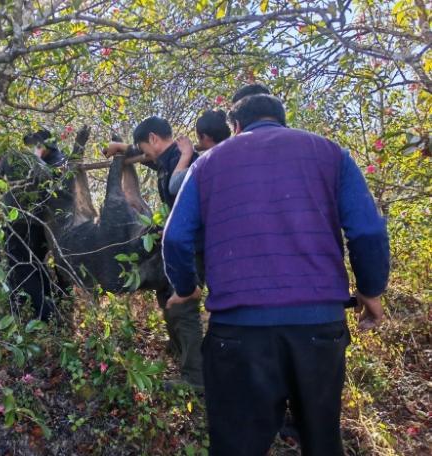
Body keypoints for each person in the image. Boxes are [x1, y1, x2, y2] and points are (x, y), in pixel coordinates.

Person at [162, 94, 389, 455]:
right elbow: (368, 232)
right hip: (319, 329)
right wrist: (371, 290)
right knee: (321, 441)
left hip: (237, 332)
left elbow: (175, 237)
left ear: (235, 127)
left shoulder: (208, 164)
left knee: (237, 446)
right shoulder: (330, 153)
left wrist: (186, 288)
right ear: (282, 119)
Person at [104, 116, 204, 390]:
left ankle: (195, 377)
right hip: (176, 241)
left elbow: (184, 194)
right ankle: (178, 347)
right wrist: (122, 148)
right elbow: (143, 157)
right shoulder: (165, 158)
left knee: (183, 304)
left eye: (143, 146)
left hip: (194, 245)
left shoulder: (187, 159)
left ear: (154, 139)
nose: (144, 153)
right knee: (165, 292)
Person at [2, 129, 67, 321]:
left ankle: (44, 315)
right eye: (31, 144)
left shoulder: (52, 161)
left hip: (27, 224)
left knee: (24, 268)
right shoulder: (47, 162)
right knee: (36, 266)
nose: (32, 147)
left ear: (46, 144)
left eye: (36, 143)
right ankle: (47, 309)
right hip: (37, 225)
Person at [169, 84, 271, 196]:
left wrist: (186, 154)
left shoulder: (215, 160)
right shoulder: (288, 147)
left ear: (237, 126)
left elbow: (174, 186)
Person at [168, 110, 231, 196]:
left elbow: (173, 186)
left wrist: (186, 153)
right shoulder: (236, 153)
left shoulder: (206, 164)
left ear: (204, 136)